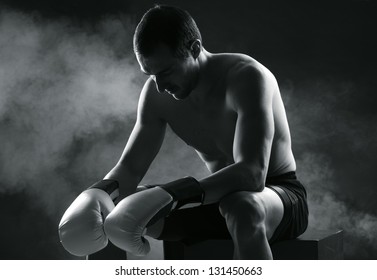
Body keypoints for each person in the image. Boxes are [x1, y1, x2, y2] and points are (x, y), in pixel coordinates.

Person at [58, 4, 308, 260]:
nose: (160, 85)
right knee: (112, 214)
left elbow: (252, 174)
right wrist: (98, 193)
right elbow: (130, 169)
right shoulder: (155, 96)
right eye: (151, 74)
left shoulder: (247, 78)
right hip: (214, 202)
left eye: (166, 72)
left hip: (277, 197)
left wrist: (174, 195)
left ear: (195, 49)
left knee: (243, 205)